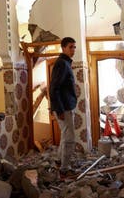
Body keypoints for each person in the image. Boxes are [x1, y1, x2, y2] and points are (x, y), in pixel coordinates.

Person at [49, 37, 77, 175]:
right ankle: (65, 169)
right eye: (71, 47)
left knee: (65, 136)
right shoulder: (62, 64)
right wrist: (59, 109)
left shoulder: (65, 63)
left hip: (65, 106)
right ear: (63, 48)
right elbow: (54, 88)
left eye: (74, 47)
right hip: (63, 108)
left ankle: (60, 161)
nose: (73, 50)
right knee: (70, 138)